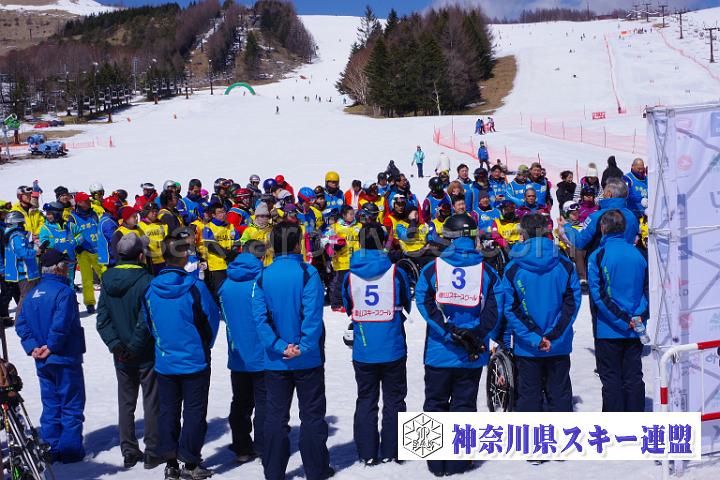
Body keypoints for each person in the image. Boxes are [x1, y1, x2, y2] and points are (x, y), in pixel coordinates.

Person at [415, 214, 500, 477]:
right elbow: (495, 310)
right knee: (464, 405)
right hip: (471, 352)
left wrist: (449, 332)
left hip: (439, 351)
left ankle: (434, 463)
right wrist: (475, 335)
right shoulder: (488, 270)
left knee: (434, 403)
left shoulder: (433, 268)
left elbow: (423, 302)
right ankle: (458, 463)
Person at [252, 222, 334, 480]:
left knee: (275, 418)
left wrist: (279, 346)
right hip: (306, 359)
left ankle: (273, 471)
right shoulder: (308, 272)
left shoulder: (263, 276)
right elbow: (313, 316)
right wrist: (303, 346)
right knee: (312, 416)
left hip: (276, 360)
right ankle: (316, 470)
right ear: (297, 244)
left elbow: (260, 320)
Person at [143, 230, 220, 480]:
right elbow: (211, 319)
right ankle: (189, 462)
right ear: (185, 255)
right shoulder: (195, 288)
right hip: (194, 360)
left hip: (166, 360)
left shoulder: (151, 289)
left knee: (168, 411)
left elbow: (149, 322)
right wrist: (204, 344)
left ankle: (171, 463)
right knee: (194, 412)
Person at [341, 223, 411, 465]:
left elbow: (348, 306)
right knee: (394, 400)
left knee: (366, 400)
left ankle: (367, 453)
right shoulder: (396, 272)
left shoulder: (350, 275)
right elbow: (405, 303)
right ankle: (393, 450)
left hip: (364, 347)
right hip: (393, 346)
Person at [502, 214, 581, 413]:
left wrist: (535, 337)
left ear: (523, 235)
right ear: (546, 233)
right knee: (559, 395)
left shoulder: (513, 267)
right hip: (558, 344)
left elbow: (510, 308)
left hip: (528, 346)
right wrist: (554, 335)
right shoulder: (564, 264)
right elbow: (572, 304)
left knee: (528, 397)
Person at [96, 233, 162, 469]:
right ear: (140, 255)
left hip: (122, 353)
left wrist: (116, 345)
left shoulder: (107, 279)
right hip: (144, 352)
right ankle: (153, 449)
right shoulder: (147, 280)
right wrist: (132, 346)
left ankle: (129, 449)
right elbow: (147, 320)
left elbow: (102, 319)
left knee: (126, 402)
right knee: (151, 400)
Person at [15, 249, 86, 463]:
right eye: (66, 266)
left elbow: (21, 324)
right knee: (71, 404)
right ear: (58, 268)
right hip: (64, 357)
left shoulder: (32, 294)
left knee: (51, 404)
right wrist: (51, 346)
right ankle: (70, 450)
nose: (68, 269)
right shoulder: (64, 292)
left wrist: (33, 347)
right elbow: (61, 323)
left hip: (43, 359)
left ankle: (51, 447)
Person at [588, 211, 648, 412]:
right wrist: (638, 316)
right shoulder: (638, 254)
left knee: (612, 379)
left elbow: (598, 295)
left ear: (603, 228)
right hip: (634, 327)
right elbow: (648, 290)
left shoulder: (598, 255)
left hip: (609, 330)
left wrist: (623, 319)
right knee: (633, 377)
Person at [218, 241, 267, 464]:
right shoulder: (261, 281)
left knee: (240, 402)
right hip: (262, 352)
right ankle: (265, 445)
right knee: (264, 402)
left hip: (237, 353)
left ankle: (242, 446)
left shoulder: (226, 283)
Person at [69, 191, 106, 313]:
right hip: (83, 252)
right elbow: (71, 235)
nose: (89, 202)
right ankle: (90, 303)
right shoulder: (73, 218)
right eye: (86, 201)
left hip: (97, 250)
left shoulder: (93, 213)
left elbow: (99, 228)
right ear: (79, 202)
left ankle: (109, 299)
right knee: (87, 279)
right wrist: (77, 245)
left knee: (105, 276)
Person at [324, 205, 361, 312]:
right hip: (341, 261)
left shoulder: (359, 226)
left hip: (355, 260)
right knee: (340, 283)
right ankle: (336, 304)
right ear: (344, 215)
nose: (353, 216)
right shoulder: (335, 227)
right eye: (350, 214)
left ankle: (353, 302)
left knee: (354, 283)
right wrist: (335, 243)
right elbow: (325, 240)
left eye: (353, 213)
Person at [3, 211, 40, 319]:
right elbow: (23, 253)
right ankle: (20, 321)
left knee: (28, 297)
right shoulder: (16, 236)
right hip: (25, 273)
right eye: (22, 223)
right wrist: (36, 251)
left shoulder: (10, 235)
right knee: (26, 297)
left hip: (23, 272)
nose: (23, 224)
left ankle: (27, 319)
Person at [201, 204, 240, 298]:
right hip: (217, 267)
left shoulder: (231, 226)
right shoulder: (208, 228)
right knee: (220, 293)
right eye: (219, 212)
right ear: (213, 215)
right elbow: (211, 246)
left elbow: (237, 242)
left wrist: (233, 253)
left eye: (224, 211)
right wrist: (227, 255)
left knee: (232, 291)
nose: (223, 214)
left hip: (231, 265)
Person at [39, 202, 80, 286]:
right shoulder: (45, 227)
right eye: (47, 214)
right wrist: (50, 244)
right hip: (55, 262)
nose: (47, 216)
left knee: (69, 283)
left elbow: (81, 235)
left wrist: (74, 242)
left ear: (57, 214)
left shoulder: (69, 225)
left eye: (50, 214)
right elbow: (44, 240)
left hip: (69, 259)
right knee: (57, 283)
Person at [139, 203, 168, 275]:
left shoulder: (163, 225)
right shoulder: (140, 226)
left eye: (156, 211)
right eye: (152, 211)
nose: (155, 213)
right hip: (148, 261)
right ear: (146, 212)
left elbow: (167, 241)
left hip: (163, 260)